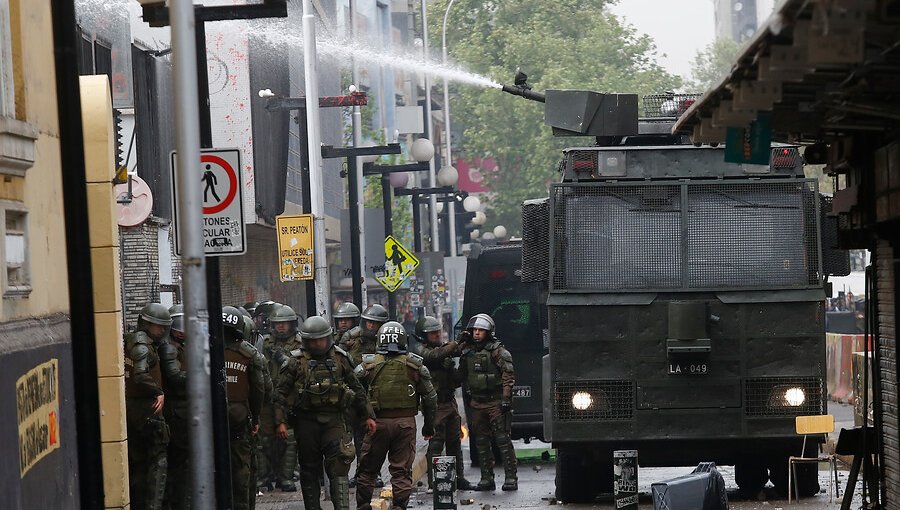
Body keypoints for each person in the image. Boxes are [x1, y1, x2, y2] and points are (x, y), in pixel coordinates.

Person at [275, 316, 377, 510]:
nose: (317, 344)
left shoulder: (340, 358)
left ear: (327, 338)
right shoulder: (295, 362)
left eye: (320, 339)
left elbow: (358, 390)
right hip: (306, 422)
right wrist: (280, 422)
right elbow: (280, 393)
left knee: (339, 467)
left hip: (334, 421)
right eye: (312, 341)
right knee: (309, 469)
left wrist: (369, 415)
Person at [355, 321, 437, 510]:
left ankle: (363, 505)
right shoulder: (415, 367)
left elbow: (353, 392)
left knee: (367, 470)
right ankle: (400, 506)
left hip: (376, 425)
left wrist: (360, 419)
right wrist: (429, 426)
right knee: (401, 471)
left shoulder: (368, 366)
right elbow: (431, 398)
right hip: (405, 425)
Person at [414, 315, 475, 491]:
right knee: (436, 442)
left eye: (437, 332)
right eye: (432, 334)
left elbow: (455, 374)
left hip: (449, 401)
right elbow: (435, 356)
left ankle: (459, 478)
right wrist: (457, 343)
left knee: (455, 441)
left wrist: (465, 347)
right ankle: (434, 481)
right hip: (434, 405)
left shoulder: (442, 349)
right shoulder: (420, 350)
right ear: (423, 335)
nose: (436, 336)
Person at [458, 313, 517, 491]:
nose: (477, 333)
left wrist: (506, 398)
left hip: (495, 402)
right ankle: (486, 478)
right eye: (474, 330)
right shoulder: (466, 352)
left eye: (480, 330)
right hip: (477, 403)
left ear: (488, 332)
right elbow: (462, 375)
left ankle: (511, 478)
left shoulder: (498, 351)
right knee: (481, 441)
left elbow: (508, 375)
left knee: (502, 439)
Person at [125, 302, 172, 510]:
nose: (162, 330)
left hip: (136, 409)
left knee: (139, 462)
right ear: (146, 324)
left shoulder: (135, 342)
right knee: (157, 460)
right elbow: (141, 374)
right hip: (147, 410)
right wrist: (158, 392)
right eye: (157, 325)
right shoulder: (142, 344)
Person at [222, 305, 270, 510]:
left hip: (209, 421)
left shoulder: (203, 350)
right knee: (243, 468)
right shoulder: (250, 354)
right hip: (241, 419)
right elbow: (261, 389)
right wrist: (256, 417)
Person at [339, 304, 389, 487]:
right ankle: (358, 474)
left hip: (376, 394)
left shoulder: (386, 340)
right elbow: (340, 362)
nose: (370, 327)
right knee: (354, 438)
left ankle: (374, 473)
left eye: (374, 324)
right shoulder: (350, 339)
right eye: (368, 323)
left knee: (375, 438)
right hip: (353, 395)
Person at [259, 304, 302, 492]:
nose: (281, 327)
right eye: (278, 324)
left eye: (285, 323)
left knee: (289, 440)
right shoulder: (264, 343)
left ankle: (286, 477)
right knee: (264, 440)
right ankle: (264, 477)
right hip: (268, 399)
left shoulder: (300, 344)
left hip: (289, 398)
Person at [160, 304, 190, 510]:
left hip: (183, 408)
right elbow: (175, 376)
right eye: (178, 325)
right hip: (176, 409)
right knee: (180, 460)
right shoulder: (170, 347)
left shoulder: (183, 346)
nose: (182, 329)